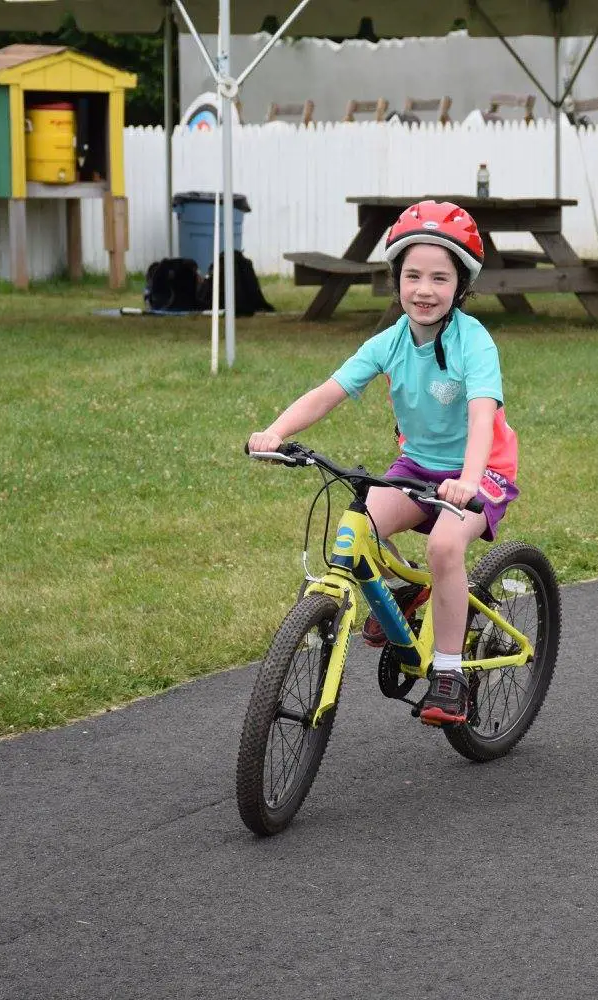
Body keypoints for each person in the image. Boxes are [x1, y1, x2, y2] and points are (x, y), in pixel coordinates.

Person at [246, 200, 519, 727]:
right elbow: (330, 391)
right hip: (418, 464)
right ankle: (411, 592)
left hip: (480, 470)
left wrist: (466, 481)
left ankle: (449, 674)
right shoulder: (388, 342)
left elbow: (483, 416)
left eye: (440, 278)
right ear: (396, 279)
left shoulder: (474, 341)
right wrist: (277, 432)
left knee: (444, 544)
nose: (424, 289)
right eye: (413, 275)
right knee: (359, 526)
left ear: (460, 287)